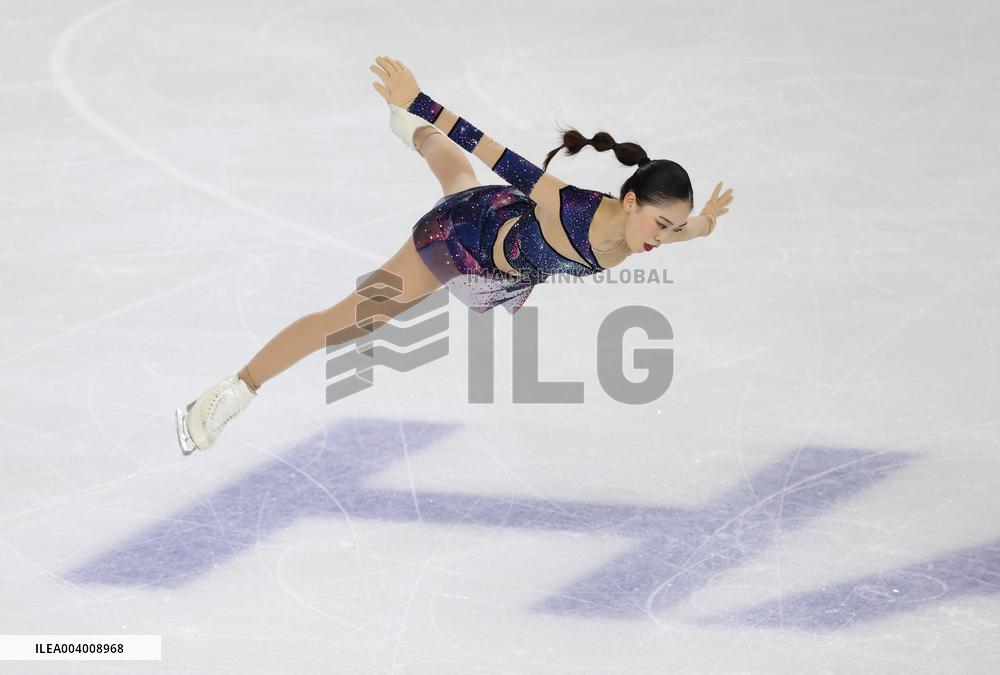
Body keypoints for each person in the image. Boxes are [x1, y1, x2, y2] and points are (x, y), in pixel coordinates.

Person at [174, 55, 734, 455]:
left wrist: (703, 220)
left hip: (498, 232)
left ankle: (411, 133)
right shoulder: (562, 203)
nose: (663, 238)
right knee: (354, 320)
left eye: (672, 228)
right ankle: (231, 391)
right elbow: (491, 148)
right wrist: (417, 98)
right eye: (661, 223)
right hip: (457, 240)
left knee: (458, 180)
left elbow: (696, 231)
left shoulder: (645, 231)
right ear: (630, 200)